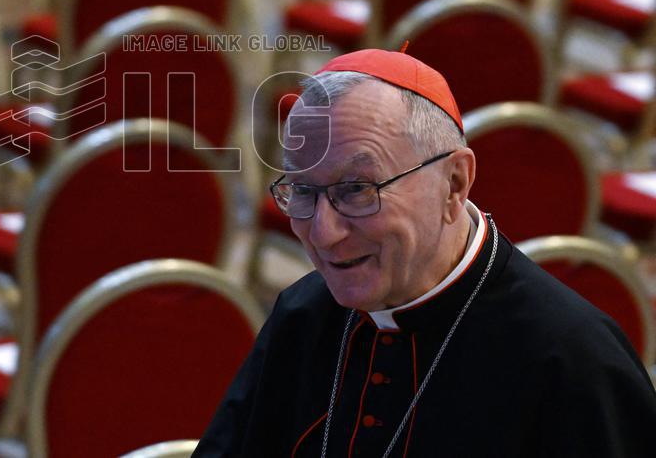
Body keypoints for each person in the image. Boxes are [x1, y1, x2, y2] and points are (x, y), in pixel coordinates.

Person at [196, 49, 656, 457]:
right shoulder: (304, 313)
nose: (323, 232)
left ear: (454, 184)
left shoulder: (573, 362)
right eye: (301, 189)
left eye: (357, 189)